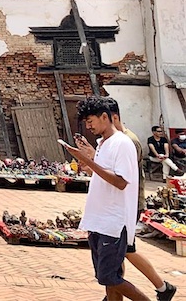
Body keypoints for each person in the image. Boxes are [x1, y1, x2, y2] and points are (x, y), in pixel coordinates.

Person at [64, 96, 149, 301]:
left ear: (105, 117)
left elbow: (121, 182)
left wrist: (88, 161)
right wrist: (88, 163)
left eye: (91, 121)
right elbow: (102, 175)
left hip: (114, 222)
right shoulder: (103, 144)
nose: (89, 127)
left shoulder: (123, 143)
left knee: (109, 277)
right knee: (109, 280)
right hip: (98, 220)